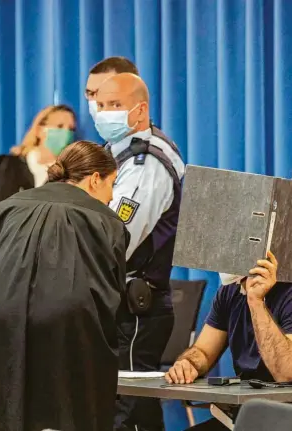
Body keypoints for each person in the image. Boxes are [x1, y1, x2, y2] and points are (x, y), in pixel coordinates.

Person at [0, 141, 128, 431]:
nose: (112, 196)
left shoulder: (8, 206)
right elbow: (113, 290)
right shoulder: (105, 220)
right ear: (95, 179)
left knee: (3, 411)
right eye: (111, 184)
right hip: (68, 326)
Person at [94, 72, 185, 431]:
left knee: (127, 414)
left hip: (136, 309)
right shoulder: (111, 155)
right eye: (100, 105)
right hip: (113, 304)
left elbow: (116, 239)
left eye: (114, 105)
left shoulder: (147, 164)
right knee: (128, 413)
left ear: (140, 109)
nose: (104, 114)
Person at [165, 252, 292, 431]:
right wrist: (188, 363)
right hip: (251, 414)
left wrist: (255, 302)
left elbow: (285, 373)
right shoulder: (229, 292)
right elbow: (203, 351)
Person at [0, 104, 76, 224]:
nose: (66, 133)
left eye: (71, 129)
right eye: (60, 126)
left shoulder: (67, 178)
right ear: (40, 130)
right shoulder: (6, 166)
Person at [85, 56, 182, 157]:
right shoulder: (113, 147)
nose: (97, 101)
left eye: (106, 92)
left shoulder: (148, 154)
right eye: (91, 94)